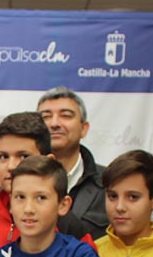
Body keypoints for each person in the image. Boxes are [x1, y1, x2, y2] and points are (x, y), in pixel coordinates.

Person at [0, 111, 52, 254]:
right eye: (3, 156)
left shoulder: (68, 226)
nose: (11, 166)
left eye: (23, 156)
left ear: (49, 161)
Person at [37, 86, 108, 240]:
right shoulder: (20, 181)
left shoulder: (109, 182)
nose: (54, 123)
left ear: (84, 128)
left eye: (66, 116)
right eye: (46, 117)